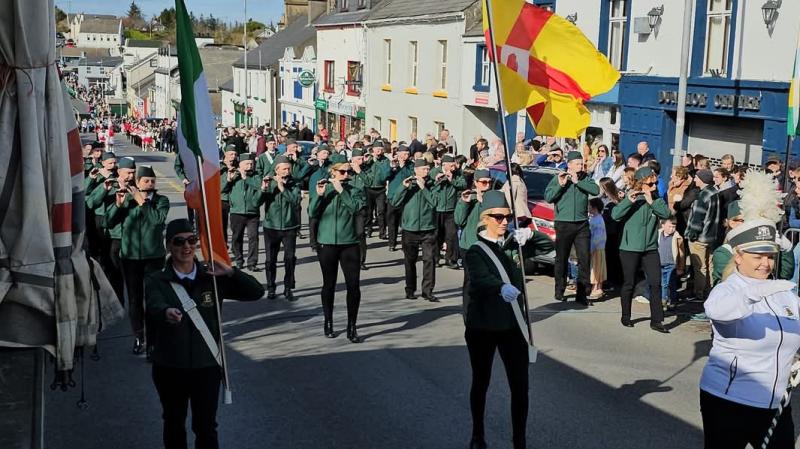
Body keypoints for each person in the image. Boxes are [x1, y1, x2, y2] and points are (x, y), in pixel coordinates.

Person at [145, 219, 264, 449]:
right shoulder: (156, 280)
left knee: (206, 427)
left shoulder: (211, 278)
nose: (186, 247)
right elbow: (153, 304)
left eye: (191, 240)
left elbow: (256, 292)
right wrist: (165, 312)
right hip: (170, 367)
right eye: (179, 242)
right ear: (169, 245)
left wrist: (230, 272)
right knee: (173, 423)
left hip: (206, 365)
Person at [699, 218, 800, 449]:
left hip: (776, 403)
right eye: (757, 257)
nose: (765, 264)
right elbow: (716, 310)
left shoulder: (784, 293)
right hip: (729, 401)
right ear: (738, 256)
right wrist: (754, 292)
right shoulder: (727, 291)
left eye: (770, 256)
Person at [463, 190, 536, 449]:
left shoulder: (512, 244)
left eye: (507, 216)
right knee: (481, 381)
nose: (504, 221)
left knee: (520, 386)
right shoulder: (476, 251)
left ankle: (519, 441)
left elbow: (550, 247)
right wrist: (499, 287)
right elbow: (480, 280)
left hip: (513, 326)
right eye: (498, 217)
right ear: (485, 219)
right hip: (483, 326)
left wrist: (530, 235)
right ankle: (477, 434)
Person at [106, 165, 170, 354]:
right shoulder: (127, 200)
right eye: (145, 181)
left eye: (152, 181)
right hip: (131, 258)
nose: (149, 184)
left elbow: (157, 220)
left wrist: (143, 202)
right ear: (137, 182)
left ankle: (152, 341)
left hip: (154, 257)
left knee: (152, 299)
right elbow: (109, 222)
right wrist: (118, 204)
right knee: (135, 299)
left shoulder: (161, 201)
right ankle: (138, 337)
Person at [308, 154, 366, 342]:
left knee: (353, 286)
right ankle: (328, 322)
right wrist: (318, 196)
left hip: (349, 243)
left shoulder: (355, 189)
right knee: (329, 284)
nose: (346, 174)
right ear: (333, 172)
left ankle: (352, 326)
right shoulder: (325, 188)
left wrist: (342, 191)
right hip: (327, 243)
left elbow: (356, 209)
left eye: (348, 171)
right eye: (342, 171)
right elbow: (312, 212)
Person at [610, 166, 671, 332]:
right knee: (629, 282)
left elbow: (666, 215)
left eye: (655, 184)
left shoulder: (656, 199)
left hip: (650, 248)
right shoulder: (631, 197)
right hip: (629, 247)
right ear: (641, 183)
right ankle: (626, 316)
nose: (654, 187)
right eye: (650, 184)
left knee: (655, 283)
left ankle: (657, 321)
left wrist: (652, 200)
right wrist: (629, 201)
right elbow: (615, 215)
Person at [544, 151, 599, 304]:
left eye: (582, 164)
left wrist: (578, 182)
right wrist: (561, 185)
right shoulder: (559, 178)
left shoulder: (585, 178)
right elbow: (549, 197)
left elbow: (596, 190)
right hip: (563, 223)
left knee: (584, 258)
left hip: (581, 224)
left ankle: (582, 294)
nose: (580, 166)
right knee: (561, 258)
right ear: (569, 165)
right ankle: (559, 290)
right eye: (577, 164)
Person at [390, 159, 439, 301]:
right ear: (416, 170)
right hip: (409, 229)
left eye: (427, 168)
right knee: (410, 261)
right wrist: (403, 187)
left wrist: (423, 188)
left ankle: (428, 291)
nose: (426, 171)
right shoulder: (409, 184)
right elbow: (394, 202)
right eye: (423, 169)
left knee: (429, 260)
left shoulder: (432, 184)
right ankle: (410, 289)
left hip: (427, 228)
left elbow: (434, 202)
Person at [258, 155, 301, 301]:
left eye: (288, 168)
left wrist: (282, 187)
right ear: (276, 170)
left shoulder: (294, 183)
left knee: (289, 258)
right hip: (271, 226)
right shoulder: (268, 182)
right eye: (284, 169)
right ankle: (271, 287)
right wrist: (263, 189)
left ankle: (288, 288)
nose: (287, 171)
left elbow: (295, 201)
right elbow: (256, 203)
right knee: (270, 260)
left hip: (290, 226)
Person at [685, 169, 720, 304]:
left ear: (702, 179)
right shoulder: (714, 192)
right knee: (709, 265)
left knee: (699, 267)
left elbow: (697, 218)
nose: (694, 180)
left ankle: (698, 293)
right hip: (711, 236)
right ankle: (709, 290)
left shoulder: (702, 195)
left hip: (700, 238)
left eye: (697, 178)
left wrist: (693, 234)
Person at [432, 154, 467, 269]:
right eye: (451, 165)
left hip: (451, 209)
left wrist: (452, 179)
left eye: (454, 165)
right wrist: (437, 179)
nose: (453, 167)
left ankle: (450, 259)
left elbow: (464, 184)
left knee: (451, 235)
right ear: (444, 165)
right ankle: (435, 258)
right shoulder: (435, 171)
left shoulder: (457, 173)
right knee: (436, 234)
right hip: (437, 208)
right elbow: (429, 184)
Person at [386, 145, 415, 251]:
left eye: (407, 154)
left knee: (404, 223)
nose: (406, 156)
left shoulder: (411, 165)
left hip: (406, 197)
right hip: (393, 196)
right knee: (392, 222)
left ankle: (405, 244)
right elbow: (385, 176)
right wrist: (392, 166)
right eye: (404, 153)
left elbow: (411, 176)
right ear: (398, 154)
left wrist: (403, 166)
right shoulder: (392, 164)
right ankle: (391, 243)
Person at [364, 140, 392, 239]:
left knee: (381, 211)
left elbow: (386, 174)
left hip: (380, 189)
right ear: (373, 150)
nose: (378, 151)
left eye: (380, 149)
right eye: (377, 149)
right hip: (369, 188)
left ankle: (382, 232)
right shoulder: (369, 159)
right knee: (369, 211)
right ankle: (369, 229)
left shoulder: (385, 160)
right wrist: (368, 160)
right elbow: (363, 169)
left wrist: (378, 162)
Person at [657, 217, 685, 311]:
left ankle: (671, 300)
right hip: (660, 264)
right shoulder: (658, 235)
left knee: (671, 284)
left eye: (674, 227)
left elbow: (681, 254)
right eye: (669, 226)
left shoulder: (677, 237)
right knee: (663, 283)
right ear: (663, 225)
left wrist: (680, 267)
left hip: (671, 265)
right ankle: (664, 301)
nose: (672, 229)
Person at [588, 198, 606, 299]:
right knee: (597, 267)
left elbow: (597, 237)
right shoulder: (594, 218)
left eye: (589, 206)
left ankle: (597, 288)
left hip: (597, 248)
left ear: (594, 208)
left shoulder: (598, 220)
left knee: (596, 268)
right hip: (597, 247)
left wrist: (591, 249)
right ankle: (596, 288)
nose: (588, 208)